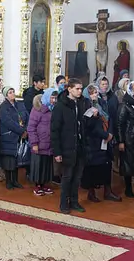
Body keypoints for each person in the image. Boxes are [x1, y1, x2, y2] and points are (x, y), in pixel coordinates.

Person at [51, 78, 88, 214]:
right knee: (67, 177)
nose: (80, 91)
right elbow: (55, 130)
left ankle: (74, 201)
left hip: (79, 146)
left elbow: (83, 124)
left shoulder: (82, 103)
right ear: (69, 89)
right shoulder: (60, 106)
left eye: (81, 88)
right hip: (67, 146)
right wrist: (57, 152)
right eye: (77, 88)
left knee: (77, 177)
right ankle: (63, 203)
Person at [81, 84, 120, 203]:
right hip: (93, 142)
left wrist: (110, 133)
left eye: (96, 92)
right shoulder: (85, 106)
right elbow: (88, 126)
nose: (95, 95)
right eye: (92, 93)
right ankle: (91, 192)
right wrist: (104, 135)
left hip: (106, 140)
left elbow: (109, 118)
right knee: (93, 168)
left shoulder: (102, 103)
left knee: (106, 165)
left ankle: (108, 191)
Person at [117, 80, 134, 198]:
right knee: (128, 164)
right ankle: (128, 188)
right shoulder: (125, 105)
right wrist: (121, 141)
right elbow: (120, 124)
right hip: (128, 139)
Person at [0, 85, 29, 189]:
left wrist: (25, 129)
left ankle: (15, 180)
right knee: (9, 160)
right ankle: (9, 181)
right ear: (6, 95)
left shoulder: (19, 104)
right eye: (10, 92)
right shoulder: (3, 107)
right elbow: (8, 122)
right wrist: (21, 131)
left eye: (13, 91)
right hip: (9, 136)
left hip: (19, 135)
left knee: (16, 160)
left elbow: (26, 116)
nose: (12, 94)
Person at [27, 89, 56, 196]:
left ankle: (44, 184)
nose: (53, 100)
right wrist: (34, 143)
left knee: (47, 166)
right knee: (38, 166)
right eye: (52, 98)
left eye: (54, 98)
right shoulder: (37, 109)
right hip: (39, 144)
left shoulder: (53, 109)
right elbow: (31, 127)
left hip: (49, 143)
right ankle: (37, 185)